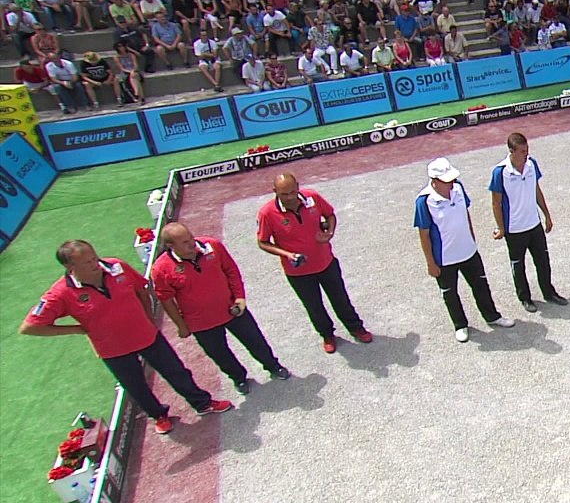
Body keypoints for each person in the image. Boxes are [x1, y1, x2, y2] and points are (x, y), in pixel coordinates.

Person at [19, 240, 233, 435]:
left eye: (94, 257)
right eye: (87, 262)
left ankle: (202, 403)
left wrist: (148, 317)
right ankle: (159, 415)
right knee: (136, 386)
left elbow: (142, 289)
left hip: (146, 335)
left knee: (177, 371)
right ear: (69, 267)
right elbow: (30, 327)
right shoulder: (60, 293)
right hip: (113, 349)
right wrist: (77, 329)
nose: (95, 263)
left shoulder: (116, 266)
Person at [152, 223, 290, 395]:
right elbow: (166, 299)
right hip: (201, 323)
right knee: (220, 354)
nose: (192, 244)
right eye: (185, 242)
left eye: (191, 238)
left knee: (255, 340)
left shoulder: (212, 246)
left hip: (232, 309)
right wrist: (181, 325)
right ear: (170, 246)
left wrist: (239, 297)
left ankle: (273, 366)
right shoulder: (161, 269)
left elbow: (231, 270)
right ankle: (238, 378)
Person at [257, 173, 373, 354]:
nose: (290, 197)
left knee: (341, 299)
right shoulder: (267, 213)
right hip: (298, 273)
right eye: (284, 194)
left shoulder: (313, 198)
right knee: (314, 306)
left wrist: (329, 233)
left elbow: (330, 215)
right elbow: (262, 242)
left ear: (298, 186)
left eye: (293, 192)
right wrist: (287, 254)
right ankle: (327, 335)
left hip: (326, 263)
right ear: (275, 191)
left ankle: (356, 328)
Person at [414, 158, 516, 343]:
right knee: (450, 294)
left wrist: (472, 238)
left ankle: (492, 316)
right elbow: (424, 234)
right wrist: (430, 263)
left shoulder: (458, 188)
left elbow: (465, 213)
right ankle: (460, 325)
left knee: (481, 286)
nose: (451, 183)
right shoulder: (424, 201)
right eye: (447, 180)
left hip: (468, 251)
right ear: (434, 181)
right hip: (445, 258)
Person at [489, 133, 567, 313]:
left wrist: (547, 215)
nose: (526, 154)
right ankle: (524, 298)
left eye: (527, 150)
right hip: (514, 229)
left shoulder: (532, 164)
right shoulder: (500, 172)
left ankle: (549, 293)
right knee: (518, 266)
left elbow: (536, 190)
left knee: (543, 261)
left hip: (534, 224)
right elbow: (496, 203)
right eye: (522, 151)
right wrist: (501, 228)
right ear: (512, 151)